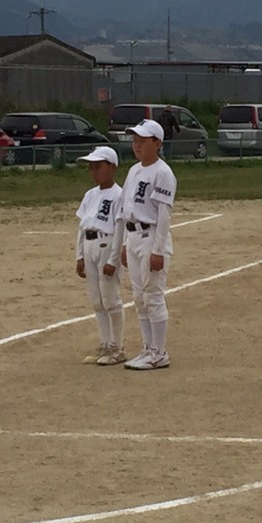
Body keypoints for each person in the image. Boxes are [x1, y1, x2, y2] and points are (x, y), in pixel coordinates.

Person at [119, 118, 176, 371]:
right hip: (133, 236)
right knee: (139, 296)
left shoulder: (163, 173)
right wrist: (123, 243)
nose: (137, 145)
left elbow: (164, 214)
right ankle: (147, 347)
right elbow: (126, 209)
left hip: (151, 236)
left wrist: (158, 250)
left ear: (157, 143)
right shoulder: (133, 171)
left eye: (142, 140)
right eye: (134, 141)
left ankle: (159, 352)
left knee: (152, 295)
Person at [75, 145, 127, 367]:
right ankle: (105, 344)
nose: (94, 171)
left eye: (98, 167)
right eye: (91, 168)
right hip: (89, 244)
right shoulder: (90, 195)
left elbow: (120, 229)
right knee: (96, 301)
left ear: (112, 167)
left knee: (110, 299)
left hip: (107, 244)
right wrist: (79, 256)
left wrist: (113, 260)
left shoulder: (119, 195)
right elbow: (81, 226)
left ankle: (118, 347)